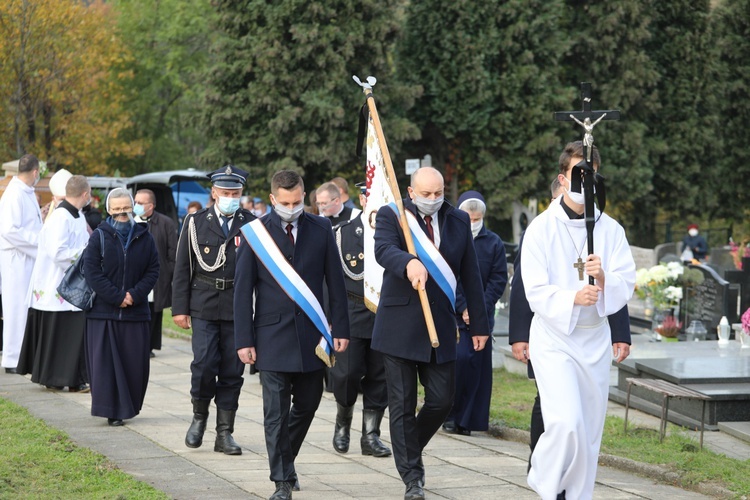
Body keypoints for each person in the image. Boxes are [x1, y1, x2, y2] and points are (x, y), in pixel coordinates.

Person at [521, 141, 635, 499]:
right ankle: (546, 482)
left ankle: (577, 494)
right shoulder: (540, 228)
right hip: (555, 339)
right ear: (562, 177)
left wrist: (603, 279)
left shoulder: (611, 230)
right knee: (566, 422)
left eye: (591, 176)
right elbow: (534, 289)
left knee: (587, 431)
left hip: (594, 339)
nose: (585, 182)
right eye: (578, 175)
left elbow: (626, 282)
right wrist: (572, 296)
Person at [372, 167, 489, 500]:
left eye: (438, 193)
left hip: (440, 325)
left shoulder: (458, 220)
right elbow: (383, 250)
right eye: (426, 194)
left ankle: (405, 446)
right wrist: (407, 261)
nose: (433, 200)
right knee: (403, 405)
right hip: (399, 327)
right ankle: (412, 477)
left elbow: (471, 273)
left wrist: (479, 325)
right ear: (412, 192)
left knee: (441, 400)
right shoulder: (391, 215)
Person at [234, 170, 350, 500]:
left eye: (298, 201)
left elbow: (335, 283)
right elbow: (243, 292)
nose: (292, 207)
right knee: (275, 412)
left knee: (308, 405)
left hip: (312, 337)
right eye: (285, 203)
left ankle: (287, 458)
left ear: (305, 196)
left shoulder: (321, 228)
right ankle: (282, 481)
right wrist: (244, 340)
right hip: (270, 337)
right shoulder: (255, 234)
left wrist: (340, 328)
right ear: (272, 200)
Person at [172, 165, 255, 455]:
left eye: (236, 193)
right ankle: (199, 416)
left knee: (233, 370)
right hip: (204, 303)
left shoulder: (251, 223)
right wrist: (179, 309)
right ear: (214, 193)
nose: (231, 197)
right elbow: (183, 267)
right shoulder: (195, 222)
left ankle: (225, 432)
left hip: (238, 306)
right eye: (226, 193)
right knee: (205, 364)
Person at [83, 187, 160, 426]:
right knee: (105, 368)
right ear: (108, 210)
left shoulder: (145, 236)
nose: (121, 213)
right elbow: (92, 272)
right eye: (116, 209)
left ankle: (129, 407)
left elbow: (153, 269)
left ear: (132, 207)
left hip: (136, 313)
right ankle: (111, 411)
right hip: (103, 312)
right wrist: (117, 297)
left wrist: (134, 295)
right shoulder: (99, 236)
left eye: (126, 208)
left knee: (133, 366)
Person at [330, 182, 391, 458]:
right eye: (371, 196)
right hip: (351, 314)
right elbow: (329, 280)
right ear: (362, 199)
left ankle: (371, 435)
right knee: (346, 374)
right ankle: (343, 422)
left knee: (381, 377)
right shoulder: (342, 234)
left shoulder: (399, 235)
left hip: (386, 316)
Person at [17, 175, 92, 392]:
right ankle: (57, 378)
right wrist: (86, 254)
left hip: (72, 284)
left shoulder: (76, 215)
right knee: (61, 334)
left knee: (72, 334)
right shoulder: (61, 217)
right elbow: (58, 253)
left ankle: (71, 378)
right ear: (85, 194)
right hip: (56, 285)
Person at [443, 190, 507, 436]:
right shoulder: (449, 239)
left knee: (476, 369)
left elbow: (498, 280)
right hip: (454, 316)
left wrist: (479, 308)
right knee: (457, 364)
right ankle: (450, 414)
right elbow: (449, 277)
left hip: (482, 316)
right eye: (468, 218)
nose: (473, 223)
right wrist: (463, 307)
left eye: (477, 218)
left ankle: (468, 420)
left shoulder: (494, 243)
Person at [0, 154, 43, 374]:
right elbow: (8, 230)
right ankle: (11, 358)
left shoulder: (26, 192)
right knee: (15, 308)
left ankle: (21, 356)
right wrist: (38, 242)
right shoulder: (14, 194)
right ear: (35, 172)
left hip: (26, 259)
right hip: (16, 261)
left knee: (24, 309)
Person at [134, 189, 177, 358]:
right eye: (135, 201)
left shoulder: (166, 223)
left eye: (140, 203)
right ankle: (137, 344)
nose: (136, 205)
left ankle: (149, 345)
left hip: (158, 276)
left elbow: (172, 252)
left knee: (154, 311)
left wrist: (170, 274)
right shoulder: (131, 221)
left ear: (150, 205)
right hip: (136, 276)